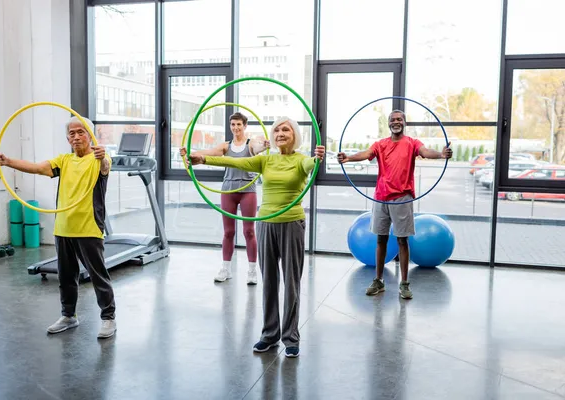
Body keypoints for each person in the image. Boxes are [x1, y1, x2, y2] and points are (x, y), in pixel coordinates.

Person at [188, 116, 325, 358]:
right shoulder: (266, 159)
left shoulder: (301, 159)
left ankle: (291, 337)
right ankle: (269, 335)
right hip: (266, 224)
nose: (281, 133)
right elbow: (234, 161)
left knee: (291, 282)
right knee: (269, 281)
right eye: (277, 130)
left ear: (295, 135)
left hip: (291, 222)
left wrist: (317, 158)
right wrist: (203, 158)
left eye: (286, 129)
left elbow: (310, 167)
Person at [0, 116, 117, 338]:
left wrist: (103, 158)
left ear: (90, 135)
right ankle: (69, 315)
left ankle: (108, 318)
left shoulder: (99, 158)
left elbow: (106, 166)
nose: (76, 136)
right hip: (63, 227)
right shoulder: (64, 161)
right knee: (66, 276)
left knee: (98, 275)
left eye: (81, 132)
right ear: (68, 138)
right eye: (72, 133)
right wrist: (7, 161)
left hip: (88, 227)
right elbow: (38, 168)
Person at [337, 110, 452, 300]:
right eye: (392, 120)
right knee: (381, 239)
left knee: (402, 240)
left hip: (402, 198)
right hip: (381, 197)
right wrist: (348, 157)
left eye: (399, 119)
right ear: (389, 123)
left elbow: (425, 152)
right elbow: (366, 154)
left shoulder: (412, 143)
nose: (396, 122)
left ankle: (404, 284)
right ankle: (379, 281)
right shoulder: (381, 144)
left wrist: (441, 154)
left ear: (404, 123)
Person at [180, 112, 269, 284]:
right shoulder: (225, 146)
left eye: (239, 125)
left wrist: (264, 146)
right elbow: (209, 153)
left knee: (249, 231)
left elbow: (258, 148)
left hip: (247, 190)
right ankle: (226, 269)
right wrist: (189, 153)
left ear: (245, 126)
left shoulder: (250, 144)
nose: (235, 128)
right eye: (233, 124)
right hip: (228, 190)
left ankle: (252, 271)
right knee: (228, 232)